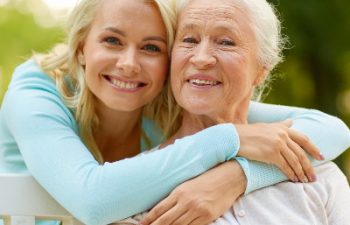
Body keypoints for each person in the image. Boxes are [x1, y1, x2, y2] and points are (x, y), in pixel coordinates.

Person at [0, 0, 349, 225]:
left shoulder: (159, 97)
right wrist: (230, 138)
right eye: (112, 40)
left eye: (152, 47)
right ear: (79, 48)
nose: (129, 64)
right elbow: (94, 199)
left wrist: (235, 176)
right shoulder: (37, 89)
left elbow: (330, 128)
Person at [137, 0, 350, 224]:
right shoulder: (136, 190)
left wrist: (238, 175)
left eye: (226, 42)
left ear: (262, 69)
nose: (201, 58)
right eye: (189, 40)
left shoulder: (318, 175)